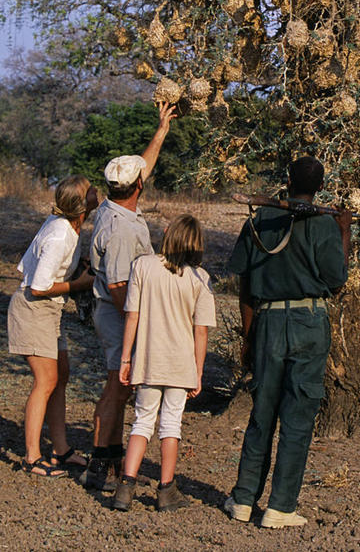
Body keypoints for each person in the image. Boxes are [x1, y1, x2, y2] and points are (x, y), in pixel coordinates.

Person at [224, 155, 351, 528]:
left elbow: (244, 283)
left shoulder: (260, 219)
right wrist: (344, 229)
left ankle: (243, 500)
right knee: (297, 416)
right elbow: (337, 279)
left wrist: (249, 337)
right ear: (321, 187)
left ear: (287, 181)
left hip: (266, 321)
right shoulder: (326, 224)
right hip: (309, 322)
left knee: (261, 412)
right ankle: (280, 508)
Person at [81, 101, 177, 491]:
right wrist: (139, 327)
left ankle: (107, 457)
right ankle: (101, 461)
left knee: (116, 387)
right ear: (138, 186)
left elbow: (142, 167)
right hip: (116, 312)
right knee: (117, 386)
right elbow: (121, 288)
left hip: (113, 310)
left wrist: (161, 130)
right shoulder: (121, 229)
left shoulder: (111, 204)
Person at [111, 213, 216, 512]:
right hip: (181, 366)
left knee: (141, 422)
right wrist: (198, 373)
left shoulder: (143, 266)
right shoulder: (200, 279)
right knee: (171, 425)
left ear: (169, 235)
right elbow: (201, 330)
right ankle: (166, 489)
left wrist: (125, 358)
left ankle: (125, 486)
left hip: (148, 360)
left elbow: (132, 314)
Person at [7, 175, 98, 477]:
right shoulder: (60, 234)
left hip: (48, 312)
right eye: (91, 190)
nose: (97, 191)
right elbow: (38, 285)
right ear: (83, 204)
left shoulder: (64, 225)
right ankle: (32, 457)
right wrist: (77, 284)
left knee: (61, 375)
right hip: (34, 310)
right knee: (45, 381)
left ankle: (61, 449)